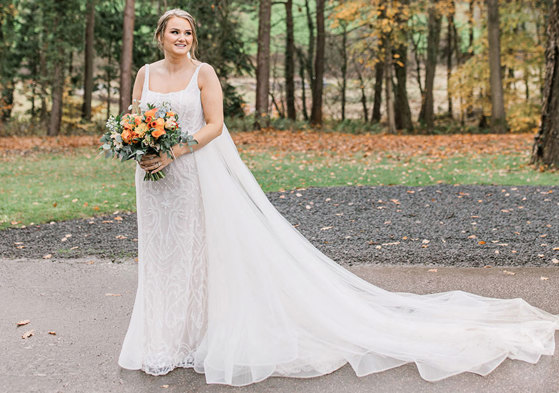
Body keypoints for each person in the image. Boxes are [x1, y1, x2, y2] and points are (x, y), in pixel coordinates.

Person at [118, 8, 559, 387]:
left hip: (193, 175)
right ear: (160, 36)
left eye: (187, 32)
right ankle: (162, 339)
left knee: (199, 255)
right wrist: (140, 151)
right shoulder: (145, 74)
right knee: (161, 256)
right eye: (174, 31)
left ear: (193, 38)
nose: (181, 38)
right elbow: (134, 118)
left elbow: (214, 126)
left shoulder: (204, 73)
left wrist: (174, 150)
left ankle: (195, 337)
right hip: (155, 184)